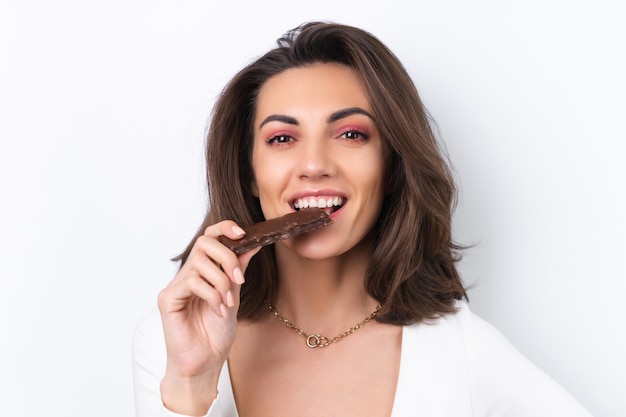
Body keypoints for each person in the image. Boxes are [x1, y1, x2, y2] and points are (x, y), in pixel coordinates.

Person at [133, 21, 593, 417]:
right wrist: (191, 384)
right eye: (281, 138)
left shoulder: (460, 350)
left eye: (351, 134)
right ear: (249, 173)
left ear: (393, 166)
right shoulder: (174, 342)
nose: (314, 164)